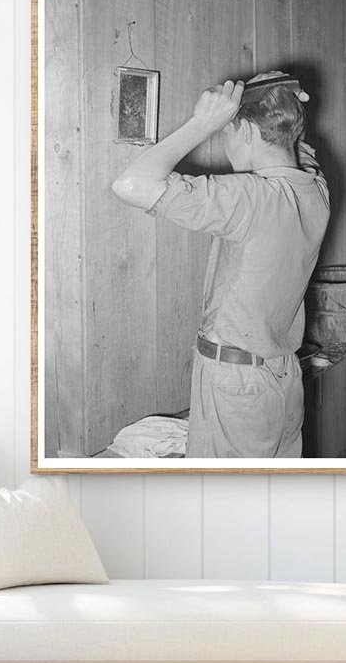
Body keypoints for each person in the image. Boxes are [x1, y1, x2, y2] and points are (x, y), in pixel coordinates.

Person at [111, 72, 330, 458]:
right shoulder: (315, 189)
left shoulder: (251, 199)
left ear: (246, 131)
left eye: (226, 133)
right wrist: (280, 95)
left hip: (236, 385)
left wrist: (203, 123)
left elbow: (130, 185)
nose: (225, 144)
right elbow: (298, 148)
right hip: (282, 377)